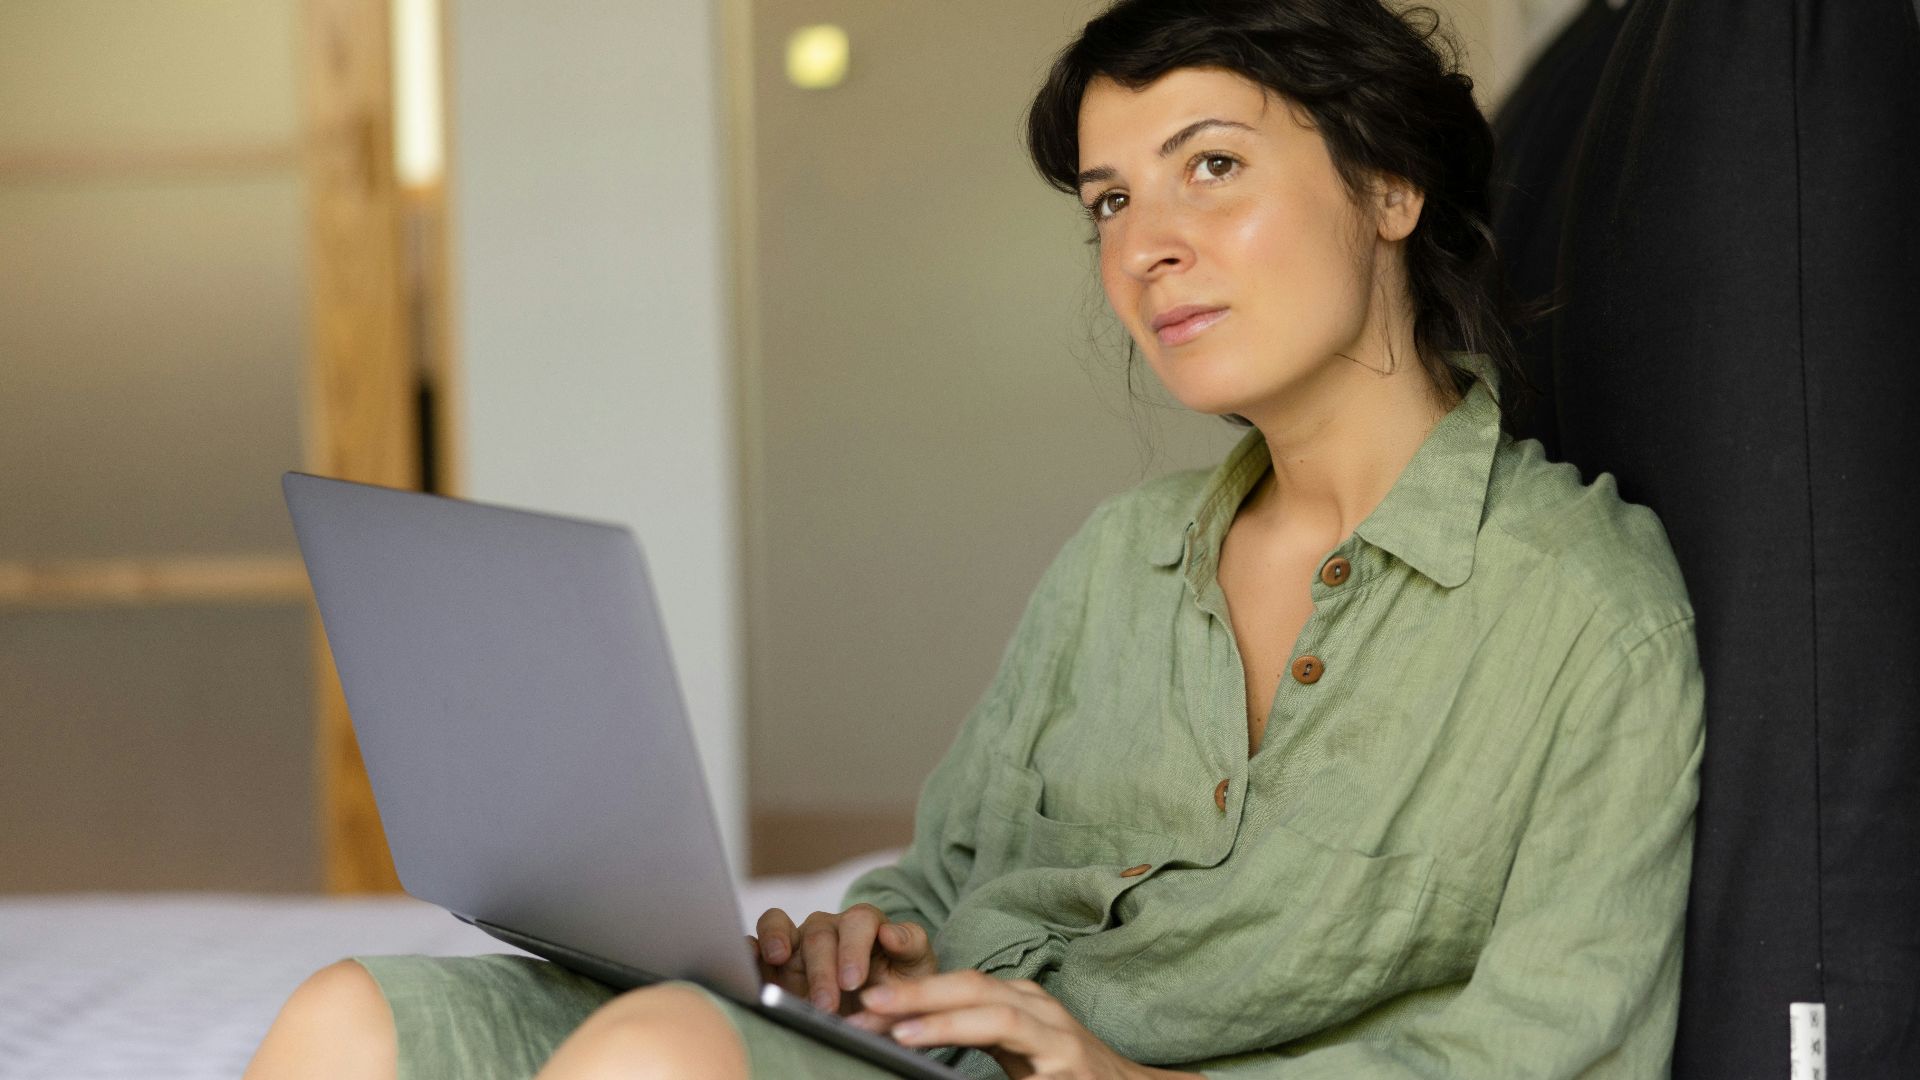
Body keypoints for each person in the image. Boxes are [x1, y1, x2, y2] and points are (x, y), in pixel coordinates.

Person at [246, 1, 1704, 1077]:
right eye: (1111, 203)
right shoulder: (1119, 562)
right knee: (348, 1020)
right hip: (930, 1047)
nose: (1145, 247)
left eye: (1211, 169)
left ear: (1392, 188)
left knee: (655, 1061)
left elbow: (1550, 1050)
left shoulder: (1583, 610)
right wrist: (868, 940)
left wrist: (1115, 1072)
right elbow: (942, 874)